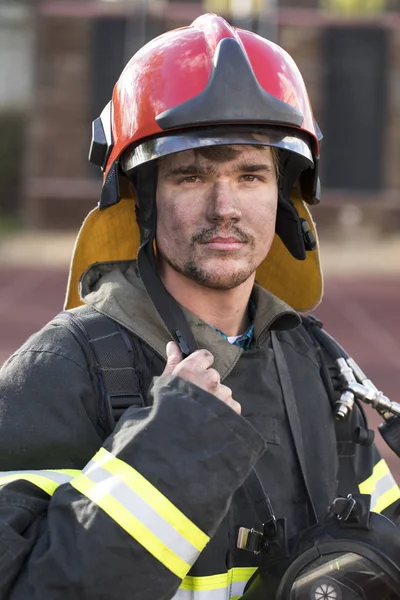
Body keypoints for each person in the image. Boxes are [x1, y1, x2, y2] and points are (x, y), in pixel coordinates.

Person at [0, 13, 398, 600]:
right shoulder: (58, 373)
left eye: (251, 176)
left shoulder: (316, 362)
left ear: (284, 198)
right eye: (190, 176)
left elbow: (383, 528)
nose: (225, 207)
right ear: (142, 199)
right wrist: (172, 450)